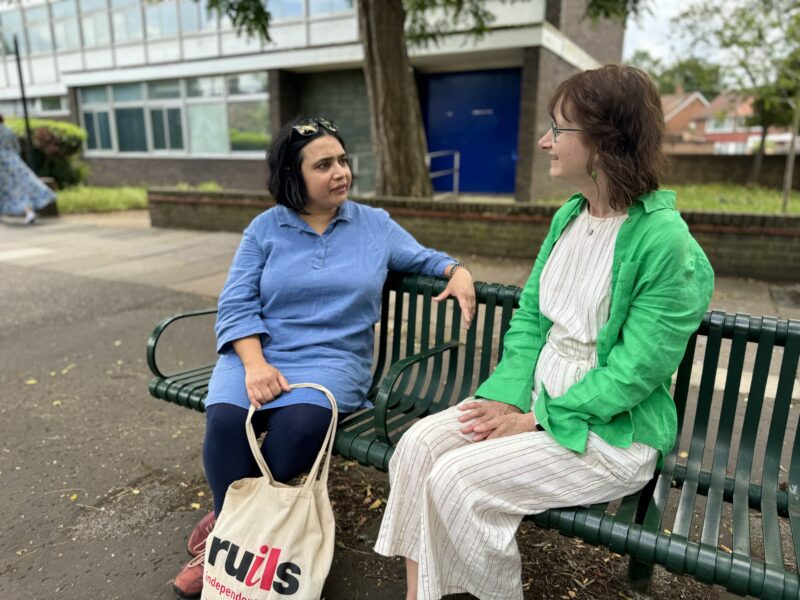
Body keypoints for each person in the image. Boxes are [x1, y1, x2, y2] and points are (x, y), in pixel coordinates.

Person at [374, 65, 715, 600]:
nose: (543, 141)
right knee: (418, 447)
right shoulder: (569, 217)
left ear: (604, 141)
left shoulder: (666, 245)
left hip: (610, 432)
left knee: (458, 479)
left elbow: (634, 374)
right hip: (534, 404)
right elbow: (531, 319)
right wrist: (508, 400)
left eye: (558, 129)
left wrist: (537, 420)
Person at [172, 116, 476, 598]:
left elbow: (422, 257)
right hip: (260, 350)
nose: (340, 173)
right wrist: (254, 364)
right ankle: (234, 529)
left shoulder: (374, 225)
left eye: (342, 161)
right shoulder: (264, 229)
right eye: (323, 165)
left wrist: (455, 269)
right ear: (293, 177)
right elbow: (236, 302)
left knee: (298, 429)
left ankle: (228, 528)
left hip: (333, 359)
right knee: (228, 422)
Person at [0, 115, 55, 225]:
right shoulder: (8, 130)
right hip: (14, 160)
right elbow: (16, 147)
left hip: (2, 163)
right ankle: (29, 211)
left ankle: (27, 212)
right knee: (22, 187)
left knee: (7, 189)